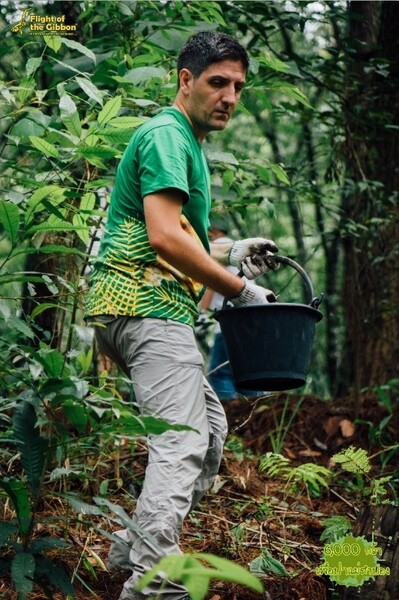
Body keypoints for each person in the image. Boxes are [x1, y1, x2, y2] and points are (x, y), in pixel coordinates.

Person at [85, 30, 279, 600]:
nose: (230, 97)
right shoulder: (168, 135)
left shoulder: (187, 144)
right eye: (218, 82)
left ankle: (128, 551)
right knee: (184, 440)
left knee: (209, 434)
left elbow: (181, 242)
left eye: (239, 87)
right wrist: (240, 289)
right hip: (139, 307)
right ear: (185, 80)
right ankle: (153, 580)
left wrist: (231, 252)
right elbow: (164, 237)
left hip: (149, 308)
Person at [199, 217, 264, 400]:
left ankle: (230, 416)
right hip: (252, 321)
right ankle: (253, 415)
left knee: (220, 374)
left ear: (212, 230)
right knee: (249, 374)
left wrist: (202, 315)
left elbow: (210, 281)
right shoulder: (239, 249)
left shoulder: (219, 247)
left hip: (230, 323)